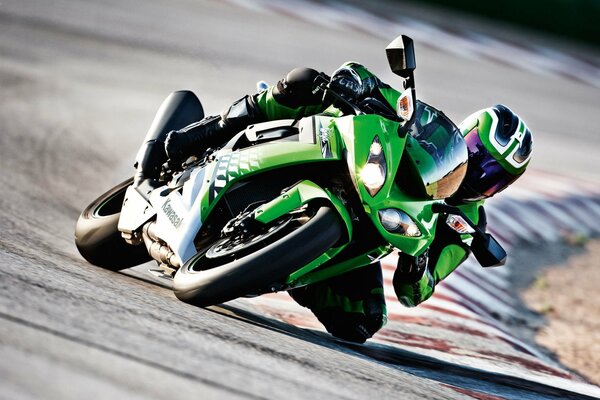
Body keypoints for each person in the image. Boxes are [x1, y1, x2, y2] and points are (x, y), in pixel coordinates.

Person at [141, 62, 533, 343]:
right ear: (464, 137)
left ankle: (277, 260)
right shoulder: (429, 135)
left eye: (494, 174)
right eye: (478, 153)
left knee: (361, 324)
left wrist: (419, 261)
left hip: (359, 234)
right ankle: (206, 133)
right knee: (304, 82)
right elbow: (373, 83)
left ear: (501, 187)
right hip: (349, 160)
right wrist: (354, 84)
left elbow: (415, 291)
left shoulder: (466, 225)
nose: (481, 172)